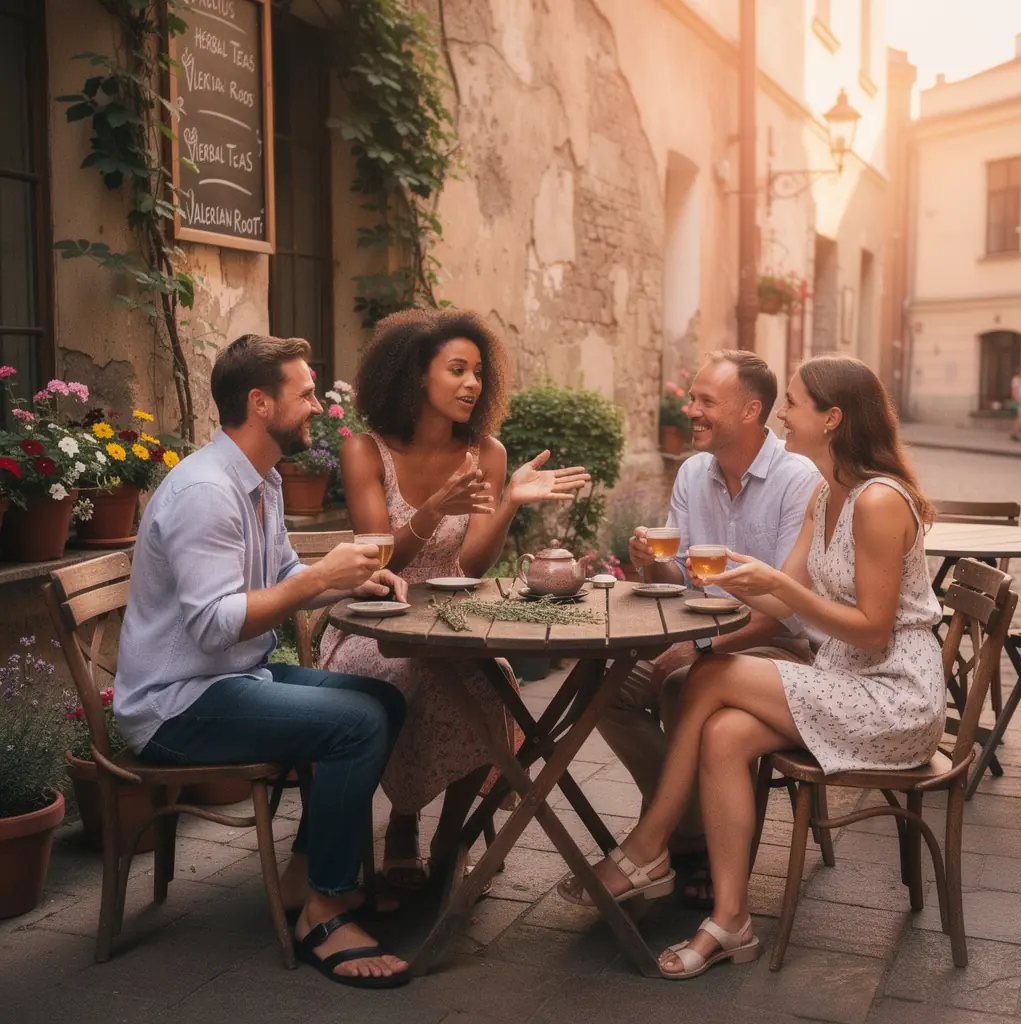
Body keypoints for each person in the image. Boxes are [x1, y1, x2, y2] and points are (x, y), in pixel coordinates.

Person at [560, 354, 944, 981]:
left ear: (833, 418)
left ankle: (648, 847)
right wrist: (742, 576)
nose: (783, 414)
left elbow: (874, 628)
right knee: (722, 732)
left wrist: (773, 590)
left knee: (708, 674)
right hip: (845, 678)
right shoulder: (828, 494)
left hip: (895, 695)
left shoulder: (878, 501)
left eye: (792, 403)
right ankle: (731, 919)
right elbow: (781, 590)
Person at [114, 334, 412, 989]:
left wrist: (346, 580)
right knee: (356, 723)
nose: (317, 407)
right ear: (259, 402)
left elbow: (280, 572)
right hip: (176, 704)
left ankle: (304, 878)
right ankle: (326, 912)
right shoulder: (205, 492)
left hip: (231, 678)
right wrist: (316, 580)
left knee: (383, 697)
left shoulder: (262, 478)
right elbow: (215, 625)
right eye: (306, 393)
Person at [319, 308, 590, 894]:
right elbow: (379, 560)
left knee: (490, 688)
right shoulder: (365, 451)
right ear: (417, 375)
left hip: (452, 619)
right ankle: (402, 825)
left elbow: (468, 566)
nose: (473, 383)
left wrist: (510, 500)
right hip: (378, 621)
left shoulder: (486, 453)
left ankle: (452, 837)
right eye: (457, 370)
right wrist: (436, 506)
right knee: (401, 677)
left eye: (478, 372)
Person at [597, 349, 820, 905]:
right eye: (691, 398)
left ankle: (686, 850)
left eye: (704, 401)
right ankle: (691, 830)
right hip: (701, 633)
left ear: (750, 411)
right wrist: (649, 561)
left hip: (781, 645)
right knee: (603, 688)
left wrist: (701, 648)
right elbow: (680, 580)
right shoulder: (694, 472)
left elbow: (786, 612)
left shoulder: (799, 480)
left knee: (683, 685)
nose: (689, 409)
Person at [1011, 364, 1021, 441]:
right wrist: (1018, 400)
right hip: (1019, 400)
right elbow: (1014, 392)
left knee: (1020, 417)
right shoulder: (1016, 380)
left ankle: (1014, 433)